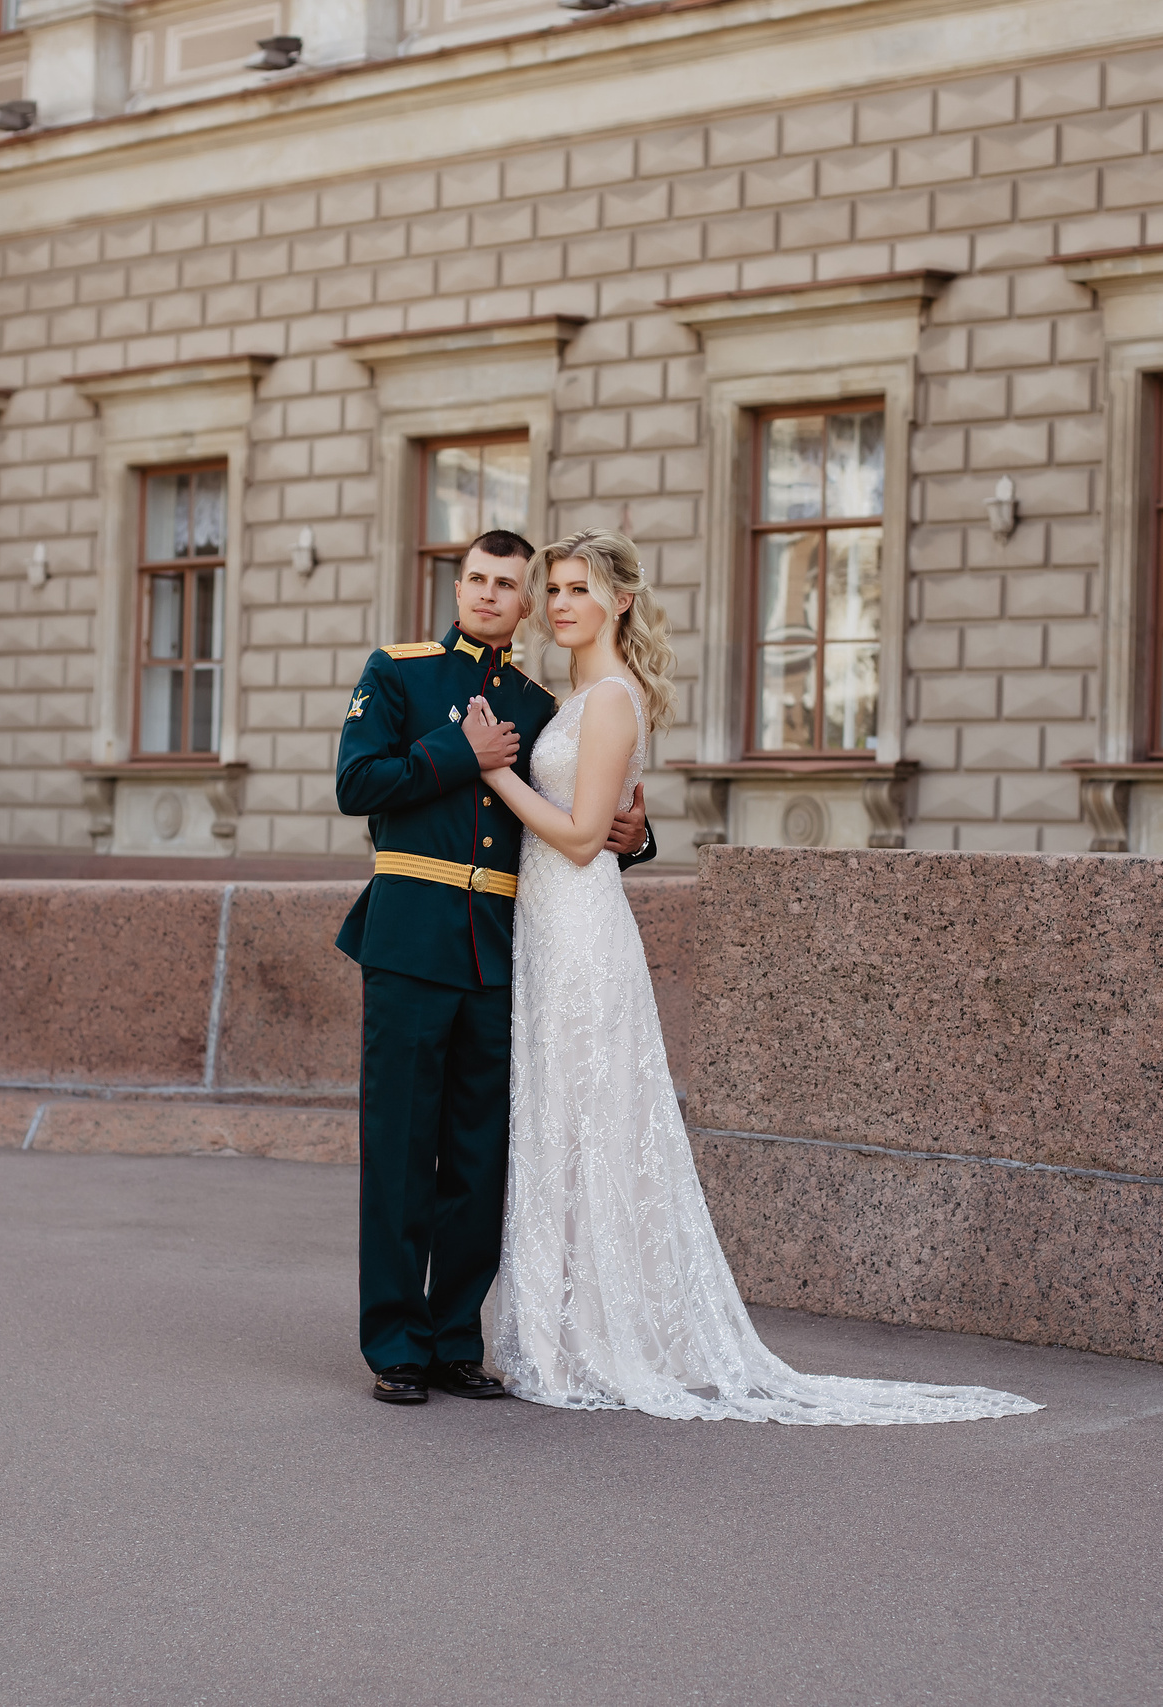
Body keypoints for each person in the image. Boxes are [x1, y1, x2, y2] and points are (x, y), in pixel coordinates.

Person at [471, 530, 1040, 1425]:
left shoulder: (611, 700)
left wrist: (495, 767)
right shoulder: (575, 697)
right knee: (553, 1122)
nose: (558, 604)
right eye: (554, 589)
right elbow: (606, 824)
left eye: (577, 588)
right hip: (543, 931)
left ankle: (584, 1339)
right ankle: (552, 1331)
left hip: (581, 933)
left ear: (619, 600)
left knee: (586, 1118)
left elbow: (583, 839)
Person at [333, 529, 655, 1407]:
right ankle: (397, 1344)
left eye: (508, 584)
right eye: (476, 577)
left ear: (523, 605)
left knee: (479, 1159)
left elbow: (571, 818)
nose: (488, 594)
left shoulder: (540, 702)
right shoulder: (397, 672)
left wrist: (638, 836)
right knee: (401, 1151)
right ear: (460, 586)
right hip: (409, 940)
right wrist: (457, 755)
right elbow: (356, 784)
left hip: (500, 948)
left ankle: (453, 1338)